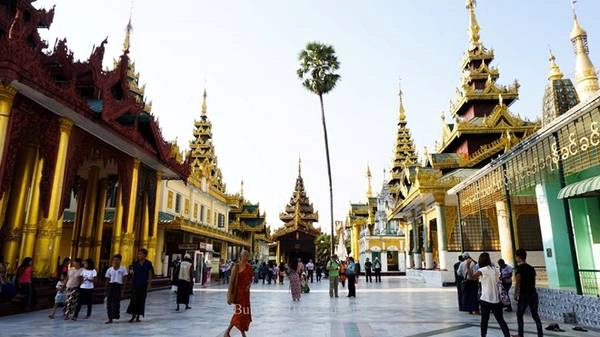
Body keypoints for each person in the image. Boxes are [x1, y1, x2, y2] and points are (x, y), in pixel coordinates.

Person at [466, 252, 511, 337]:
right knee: (501, 321)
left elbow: (471, 277)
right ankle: (507, 335)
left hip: (486, 299)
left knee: (484, 320)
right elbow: (499, 281)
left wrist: (468, 266)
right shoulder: (496, 269)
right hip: (496, 300)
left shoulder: (482, 270)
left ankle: (483, 335)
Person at [514, 249, 543, 337]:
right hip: (533, 293)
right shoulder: (531, 268)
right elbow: (533, 281)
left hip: (524, 294)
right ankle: (540, 334)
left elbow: (518, 282)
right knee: (535, 315)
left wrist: (516, 294)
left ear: (518, 257)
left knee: (519, 314)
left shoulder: (519, 269)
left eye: (516, 256)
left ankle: (520, 334)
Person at [225, 250, 253, 337]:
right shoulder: (236, 267)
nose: (246, 257)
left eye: (247, 256)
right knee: (239, 313)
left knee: (244, 314)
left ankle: (228, 332)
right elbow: (231, 281)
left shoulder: (249, 267)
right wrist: (230, 294)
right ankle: (241, 334)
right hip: (238, 294)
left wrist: (249, 285)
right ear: (241, 256)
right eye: (244, 255)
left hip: (245, 295)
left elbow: (250, 279)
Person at [127, 249, 154, 322]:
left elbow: (150, 273)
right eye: (138, 254)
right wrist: (130, 282)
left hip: (143, 284)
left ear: (145, 255)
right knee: (133, 299)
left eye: (141, 254)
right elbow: (132, 273)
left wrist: (149, 283)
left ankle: (138, 316)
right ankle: (133, 315)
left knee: (141, 300)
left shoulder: (148, 263)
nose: (139, 255)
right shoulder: (135, 263)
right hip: (135, 284)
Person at [105, 254, 128, 324]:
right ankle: (110, 318)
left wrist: (123, 290)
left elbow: (124, 280)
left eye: (117, 260)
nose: (115, 261)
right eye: (114, 260)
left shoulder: (123, 269)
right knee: (109, 303)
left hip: (118, 286)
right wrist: (106, 288)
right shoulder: (110, 269)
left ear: (120, 261)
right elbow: (107, 279)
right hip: (111, 286)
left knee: (116, 303)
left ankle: (115, 315)